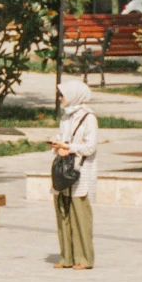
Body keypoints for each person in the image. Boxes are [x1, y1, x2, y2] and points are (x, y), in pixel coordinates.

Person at [50, 77, 99, 271]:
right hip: (63, 171)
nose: (60, 98)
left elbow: (90, 146)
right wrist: (57, 146)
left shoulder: (89, 118)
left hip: (80, 171)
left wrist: (69, 148)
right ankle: (66, 257)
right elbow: (61, 138)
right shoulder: (66, 117)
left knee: (80, 215)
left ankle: (84, 258)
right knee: (63, 212)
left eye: (63, 95)